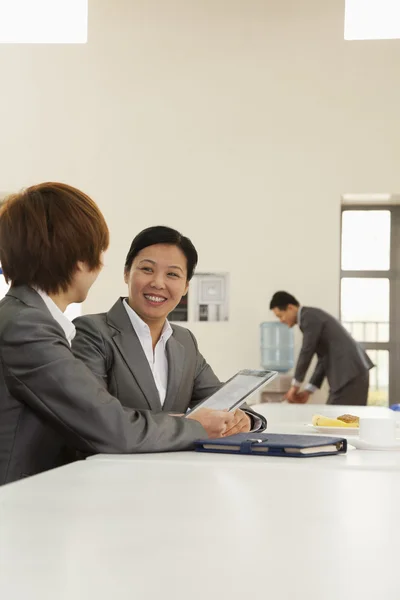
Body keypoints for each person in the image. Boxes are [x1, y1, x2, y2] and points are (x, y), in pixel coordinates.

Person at [0, 183, 235, 486]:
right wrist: (197, 427)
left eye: (173, 274)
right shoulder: (29, 325)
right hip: (17, 502)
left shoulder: (26, 317)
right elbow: (109, 424)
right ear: (78, 258)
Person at [72, 226, 266, 431]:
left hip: (172, 462)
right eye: (147, 269)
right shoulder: (92, 332)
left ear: (185, 287)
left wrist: (246, 419)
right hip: (107, 462)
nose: (157, 283)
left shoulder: (184, 340)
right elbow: (95, 416)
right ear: (127, 273)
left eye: (172, 274)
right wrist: (190, 424)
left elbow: (220, 397)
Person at [269, 291, 374, 405]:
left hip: (350, 373)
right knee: (336, 418)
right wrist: (308, 391)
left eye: (280, 315)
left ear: (290, 307)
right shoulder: (311, 316)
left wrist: (295, 386)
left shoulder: (308, 317)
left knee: (338, 419)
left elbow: (306, 351)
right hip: (351, 373)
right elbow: (324, 358)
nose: (281, 320)